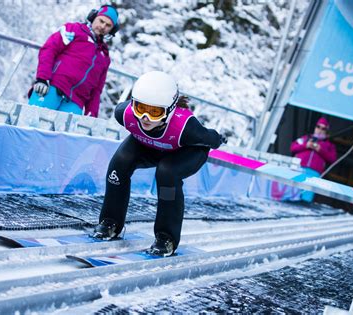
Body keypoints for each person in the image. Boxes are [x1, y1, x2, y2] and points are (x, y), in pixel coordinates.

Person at [91, 71, 227, 256]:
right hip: (149, 145)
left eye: (154, 112)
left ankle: (166, 238)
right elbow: (139, 118)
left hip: (185, 151)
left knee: (166, 173)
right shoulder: (123, 114)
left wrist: (219, 139)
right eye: (140, 108)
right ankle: (110, 222)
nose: (145, 117)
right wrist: (145, 116)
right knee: (119, 164)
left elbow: (209, 138)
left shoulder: (187, 129)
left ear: (170, 110)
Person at [28, 5, 119, 117]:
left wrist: (91, 113)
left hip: (76, 102)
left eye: (108, 25)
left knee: (62, 134)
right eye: (101, 21)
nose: (103, 26)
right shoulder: (73, 30)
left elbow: (97, 89)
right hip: (52, 88)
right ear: (93, 17)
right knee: (31, 123)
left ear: (112, 30)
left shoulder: (104, 56)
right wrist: (42, 78)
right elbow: (49, 49)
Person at [290, 117, 337, 202]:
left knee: (306, 196)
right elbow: (293, 147)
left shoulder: (329, 145)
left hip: (314, 173)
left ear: (326, 132)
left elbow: (332, 158)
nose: (320, 130)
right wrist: (306, 145)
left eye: (323, 129)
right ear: (315, 128)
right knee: (293, 192)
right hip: (299, 168)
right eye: (318, 127)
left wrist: (320, 150)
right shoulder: (305, 139)